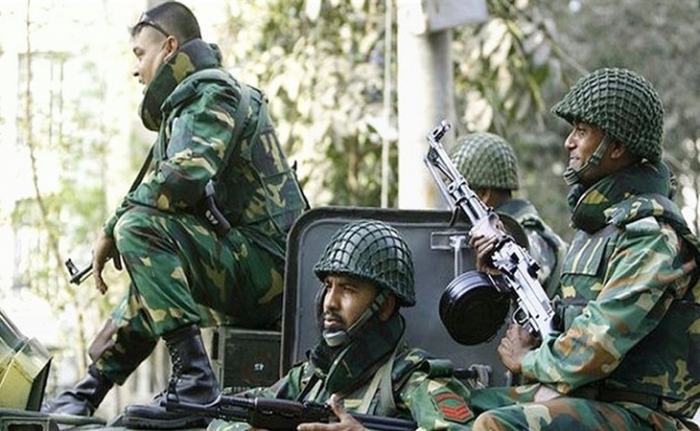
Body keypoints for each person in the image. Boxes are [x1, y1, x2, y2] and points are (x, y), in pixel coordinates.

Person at [42, 1, 307, 427]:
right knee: (152, 256)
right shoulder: (190, 103)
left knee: (138, 229)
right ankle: (88, 391)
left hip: (271, 272)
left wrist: (112, 227)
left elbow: (183, 177)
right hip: (253, 266)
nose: (135, 69)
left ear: (169, 48)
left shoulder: (213, 92)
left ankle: (194, 382)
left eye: (139, 54)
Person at [466, 67, 700, 430]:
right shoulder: (600, 228)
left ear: (617, 147)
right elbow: (566, 324)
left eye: (581, 131)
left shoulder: (652, 236)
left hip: (642, 416)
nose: (569, 143)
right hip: (590, 400)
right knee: (454, 405)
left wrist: (528, 361)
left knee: (493, 426)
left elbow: (597, 343)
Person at [207, 219, 476, 431]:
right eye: (328, 286)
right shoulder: (311, 377)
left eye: (348, 289)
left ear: (384, 306)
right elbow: (228, 414)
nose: (330, 302)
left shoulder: (413, 380)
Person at [450, 132, 568, 299]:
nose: (453, 206)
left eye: (457, 197)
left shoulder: (527, 234)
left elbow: (529, 259)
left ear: (483, 194)